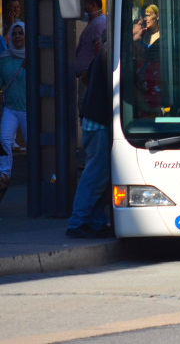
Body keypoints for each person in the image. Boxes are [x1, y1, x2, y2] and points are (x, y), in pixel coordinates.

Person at [66, 35, 113, 238]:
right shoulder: (110, 52)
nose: (141, 28)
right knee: (94, 176)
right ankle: (78, 222)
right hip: (99, 123)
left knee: (100, 176)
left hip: (96, 122)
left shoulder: (104, 52)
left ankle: (96, 221)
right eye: (138, 25)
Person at [0, 21, 27, 199]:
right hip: (10, 107)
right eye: (15, 33)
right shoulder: (4, 57)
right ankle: (4, 174)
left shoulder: (32, 57)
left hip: (27, 109)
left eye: (21, 33)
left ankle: (40, 175)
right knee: (4, 139)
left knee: (32, 142)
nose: (17, 36)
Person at [73, 0, 107, 107]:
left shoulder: (99, 24)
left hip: (89, 77)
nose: (82, 6)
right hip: (86, 76)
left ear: (92, 5)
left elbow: (99, 50)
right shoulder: (94, 22)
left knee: (86, 107)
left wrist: (91, 75)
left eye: (84, 3)